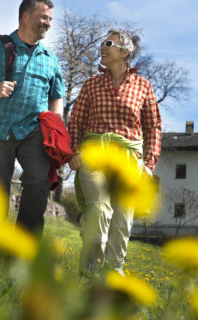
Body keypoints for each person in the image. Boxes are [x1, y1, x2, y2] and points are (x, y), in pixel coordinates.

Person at [68, 29, 162, 276]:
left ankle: (112, 277)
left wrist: (149, 165)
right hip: (95, 155)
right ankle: (89, 273)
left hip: (129, 161)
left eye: (108, 43)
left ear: (125, 52)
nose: (102, 46)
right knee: (99, 208)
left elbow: (153, 128)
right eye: (102, 42)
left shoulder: (143, 87)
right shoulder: (91, 84)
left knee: (121, 222)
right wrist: (75, 150)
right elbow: (76, 121)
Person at [0, 0, 64, 240]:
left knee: (38, 184)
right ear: (25, 17)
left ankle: (22, 252)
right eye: (43, 17)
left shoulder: (50, 59)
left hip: (35, 132)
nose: (48, 23)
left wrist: (55, 123)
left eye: (50, 19)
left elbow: (57, 95)